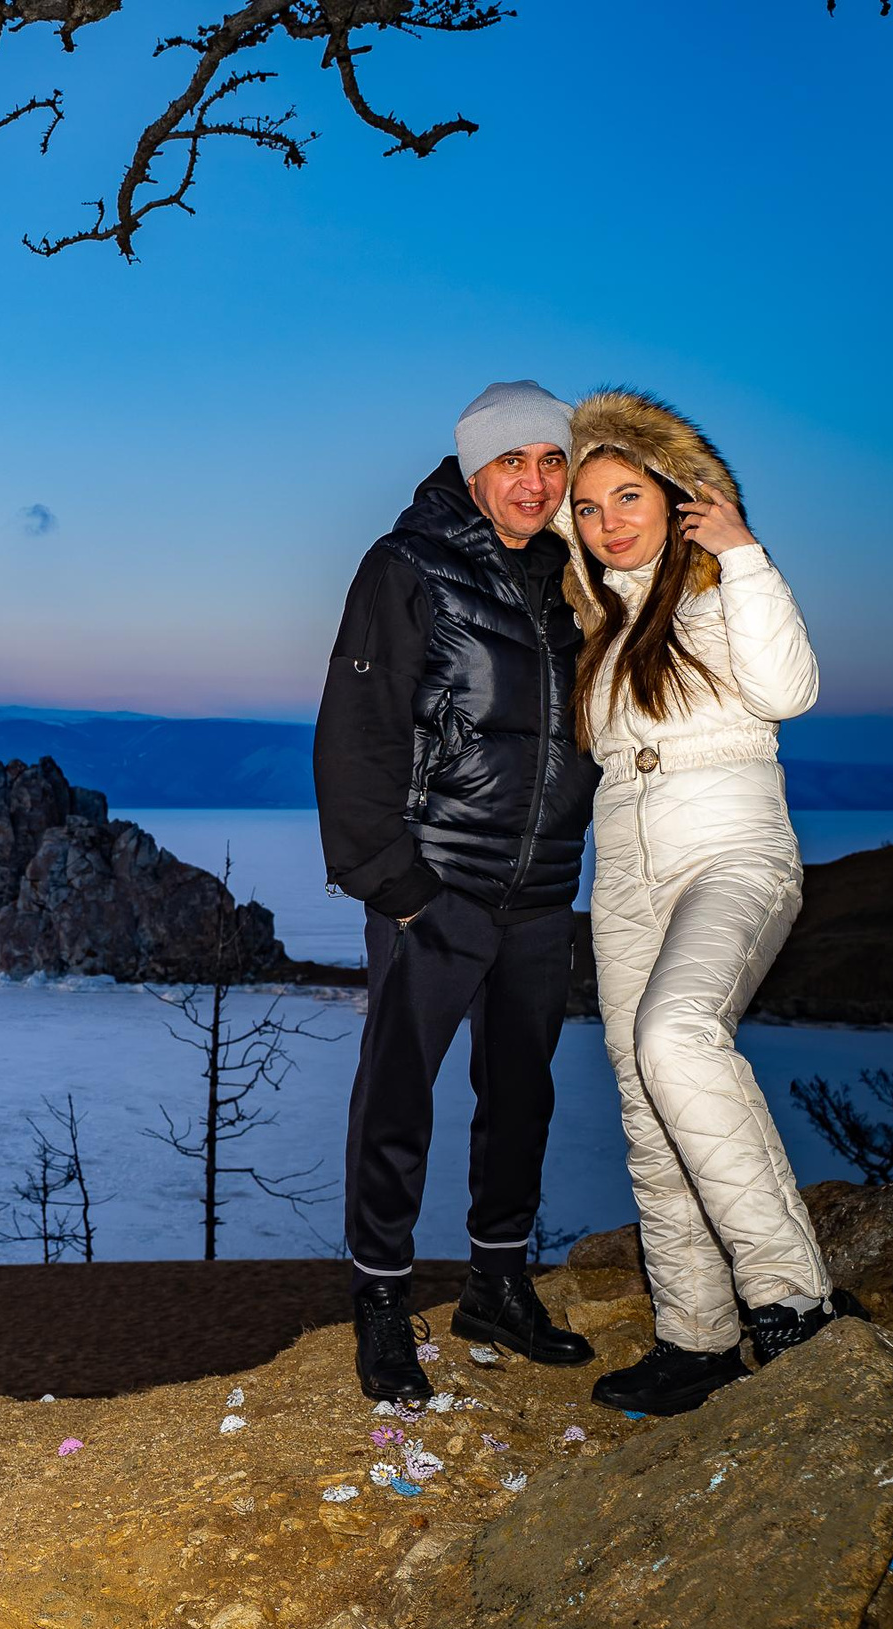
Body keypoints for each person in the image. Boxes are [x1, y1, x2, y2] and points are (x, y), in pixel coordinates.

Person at [315, 381, 601, 1401]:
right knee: (397, 1099)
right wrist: (397, 887)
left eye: (551, 460)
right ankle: (381, 1302)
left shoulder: (574, 579)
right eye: (511, 461)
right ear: (473, 470)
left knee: (520, 1098)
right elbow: (355, 733)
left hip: (543, 890)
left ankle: (497, 1284)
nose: (534, 481)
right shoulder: (407, 566)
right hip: (434, 887)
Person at [555, 390, 838, 1415]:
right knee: (645, 1097)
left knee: (677, 1037)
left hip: (732, 854)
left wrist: (744, 550)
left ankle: (794, 1300)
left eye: (627, 496)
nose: (607, 521)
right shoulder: (602, 621)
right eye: (589, 507)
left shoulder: (723, 592)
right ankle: (696, 1336)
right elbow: (525, 500)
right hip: (625, 875)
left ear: (676, 495)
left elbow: (789, 691)